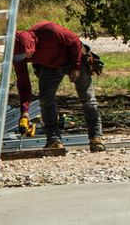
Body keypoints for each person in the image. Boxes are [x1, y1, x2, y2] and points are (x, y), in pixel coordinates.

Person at [12, 21, 105, 150]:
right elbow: (23, 83)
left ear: (30, 46)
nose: (24, 59)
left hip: (75, 58)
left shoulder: (49, 30)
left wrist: (76, 67)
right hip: (51, 66)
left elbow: (75, 42)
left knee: (87, 98)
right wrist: (25, 111)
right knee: (45, 100)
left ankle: (96, 138)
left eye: (25, 55)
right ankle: (54, 140)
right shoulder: (19, 55)